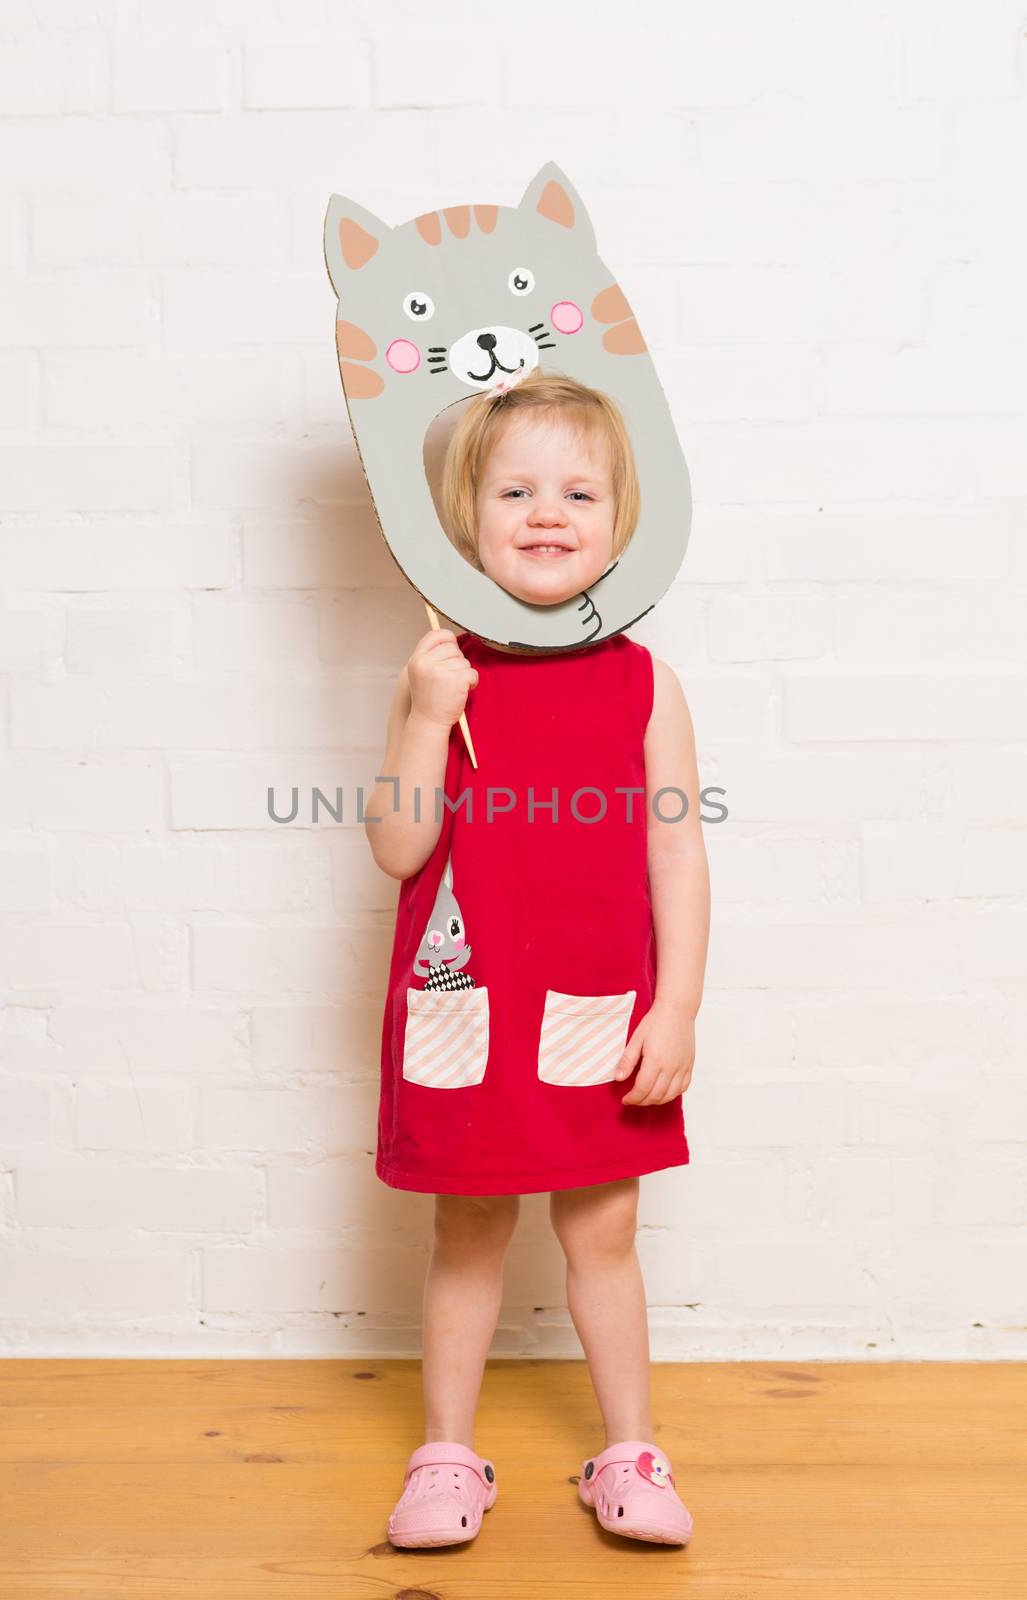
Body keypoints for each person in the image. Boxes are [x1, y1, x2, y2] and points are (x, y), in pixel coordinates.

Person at [363, 368, 709, 1550]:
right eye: (514, 489)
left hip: (598, 1010)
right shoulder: (440, 670)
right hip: (469, 1008)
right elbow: (398, 848)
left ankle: (629, 1451)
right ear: (465, 520)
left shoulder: (643, 681)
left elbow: (676, 860)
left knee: (600, 1231)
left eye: (577, 490)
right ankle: (447, 1456)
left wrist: (676, 1008)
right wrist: (418, 716)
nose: (546, 511)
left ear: (623, 522)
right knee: (466, 1231)